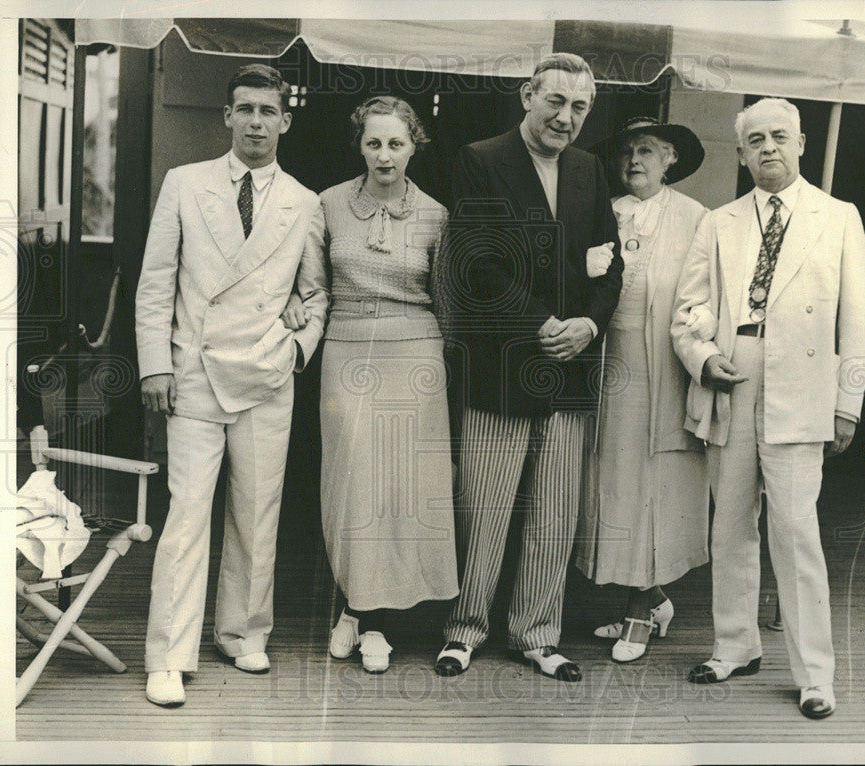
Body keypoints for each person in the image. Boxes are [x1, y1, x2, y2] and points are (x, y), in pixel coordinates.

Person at [671, 98, 865, 719]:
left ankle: (816, 674)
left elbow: (857, 323)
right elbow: (689, 308)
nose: (768, 148)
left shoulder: (838, 217)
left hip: (804, 385)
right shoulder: (719, 221)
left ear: (803, 143)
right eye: (754, 139)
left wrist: (848, 402)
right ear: (740, 152)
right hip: (734, 375)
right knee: (729, 524)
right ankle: (735, 646)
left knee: (794, 530)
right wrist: (702, 357)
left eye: (779, 137)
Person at [135, 64, 329, 707]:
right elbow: (156, 282)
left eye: (267, 111)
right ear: (226, 116)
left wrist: (298, 345)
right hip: (193, 372)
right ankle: (168, 655)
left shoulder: (305, 201)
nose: (255, 122)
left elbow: (317, 292)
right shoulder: (185, 185)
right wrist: (154, 365)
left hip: (268, 374)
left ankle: (243, 632)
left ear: (286, 121)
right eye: (244, 109)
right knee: (188, 516)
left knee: (256, 512)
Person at [435, 53, 623, 683]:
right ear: (527, 96)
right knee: (483, 509)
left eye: (579, 108)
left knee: (554, 512)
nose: (565, 118)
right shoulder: (481, 159)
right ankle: (464, 630)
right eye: (555, 102)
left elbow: (608, 262)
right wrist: (541, 323)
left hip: (569, 371)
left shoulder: (589, 170)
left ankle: (537, 635)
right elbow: (475, 263)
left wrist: (589, 325)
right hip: (502, 368)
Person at [282, 96, 458, 674]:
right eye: (374, 143)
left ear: (414, 147)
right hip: (348, 350)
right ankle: (356, 607)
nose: (385, 155)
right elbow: (311, 288)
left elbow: (447, 301)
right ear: (359, 145)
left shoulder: (435, 214)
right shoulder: (327, 203)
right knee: (355, 485)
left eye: (397, 144)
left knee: (401, 491)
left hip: (416, 353)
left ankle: (372, 618)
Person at [574, 117, 710, 663]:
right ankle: (649, 598)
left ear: (670, 157)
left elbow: (706, 297)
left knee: (654, 488)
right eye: (627, 151)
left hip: (665, 368)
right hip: (608, 367)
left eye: (648, 150)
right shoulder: (603, 212)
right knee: (613, 484)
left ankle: (639, 610)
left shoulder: (698, 219)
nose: (636, 160)